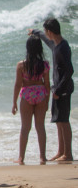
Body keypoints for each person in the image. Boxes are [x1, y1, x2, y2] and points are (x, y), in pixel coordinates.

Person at [31, 18, 74, 162]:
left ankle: (68, 154)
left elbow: (69, 71)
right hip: (58, 88)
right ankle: (61, 151)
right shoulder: (55, 44)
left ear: (50, 31)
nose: (45, 34)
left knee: (64, 121)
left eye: (45, 31)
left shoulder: (63, 47)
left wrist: (59, 90)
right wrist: (34, 32)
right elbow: (44, 38)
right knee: (58, 120)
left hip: (63, 88)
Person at [12, 34, 51, 165]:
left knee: (25, 128)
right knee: (40, 127)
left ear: (27, 48)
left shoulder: (21, 65)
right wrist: (47, 101)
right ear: (40, 48)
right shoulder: (44, 65)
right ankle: (42, 157)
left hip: (27, 94)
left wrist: (14, 103)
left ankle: (21, 158)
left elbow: (18, 84)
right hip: (40, 94)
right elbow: (47, 85)